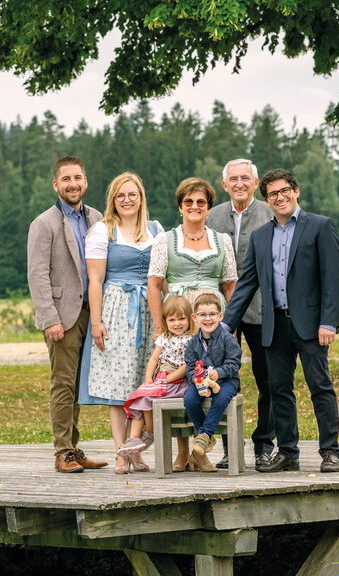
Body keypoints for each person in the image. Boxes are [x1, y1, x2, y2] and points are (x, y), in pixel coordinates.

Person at [222, 168, 339, 473]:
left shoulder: (319, 226)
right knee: (278, 390)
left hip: (311, 325)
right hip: (273, 325)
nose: (280, 197)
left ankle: (330, 451)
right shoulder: (261, 236)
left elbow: (333, 279)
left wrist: (329, 322)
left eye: (284, 190)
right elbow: (247, 282)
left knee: (320, 386)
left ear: (296, 191)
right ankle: (288, 452)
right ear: (267, 199)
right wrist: (226, 324)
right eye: (273, 193)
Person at [147, 177, 238, 471]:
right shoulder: (165, 240)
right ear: (180, 206)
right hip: (181, 317)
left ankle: (205, 450)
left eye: (201, 202)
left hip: (213, 316)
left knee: (213, 379)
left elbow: (229, 285)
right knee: (183, 382)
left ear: (209, 207)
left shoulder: (221, 240)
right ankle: (183, 451)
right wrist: (160, 328)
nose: (195, 206)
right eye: (189, 202)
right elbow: (154, 284)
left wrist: (233, 328)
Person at [78, 172, 163, 474]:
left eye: (132, 195)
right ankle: (119, 453)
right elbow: (96, 279)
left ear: (141, 198)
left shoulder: (155, 230)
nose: (127, 201)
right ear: (113, 200)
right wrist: (97, 321)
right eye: (120, 196)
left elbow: (162, 277)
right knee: (119, 386)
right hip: (116, 308)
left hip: (149, 308)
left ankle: (135, 450)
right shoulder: (103, 230)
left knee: (144, 384)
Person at [27, 156, 108, 473]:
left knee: (79, 386)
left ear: (85, 182)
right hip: (63, 317)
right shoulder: (43, 224)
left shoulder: (97, 219)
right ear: (56, 185)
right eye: (66, 179)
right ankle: (62, 451)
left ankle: (74, 448)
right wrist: (49, 319)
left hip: (92, 314)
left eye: (78, 178)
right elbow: (37, 275)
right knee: (63, 385)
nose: (72, 184)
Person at [207, 159, 274, 469]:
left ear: (255, 182)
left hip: (263, 308)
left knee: (268, 378)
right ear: (224, 185)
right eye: (233, 178)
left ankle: (264, 444)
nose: (239, 183)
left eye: (245, 178)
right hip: (225, 312)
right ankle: (228, 446)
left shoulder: (270, 213)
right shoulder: (212, 216)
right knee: (223, 377)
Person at [118, 295, 194, 465]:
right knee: (140, 396)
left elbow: (185, 366)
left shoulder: (190, 340)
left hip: (178, 382)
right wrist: (148, 379)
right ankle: (134, 439)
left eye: (182, 318)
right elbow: (154, 359)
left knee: (147, 397)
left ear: (189, 319)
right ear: (165, 321)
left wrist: (166, 380)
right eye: (172, 319)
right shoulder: (164, 338)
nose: (177, 323)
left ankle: (150, 433)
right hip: (161, 379)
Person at [183, 293, 242, 472]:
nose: (208, 319)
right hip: (201, 383)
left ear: (220, 316)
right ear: (195, 318)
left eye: (212, 314)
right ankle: (206, 435)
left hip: (226, 381)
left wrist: (219, 372)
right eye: (202, 315)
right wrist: (197, 379)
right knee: (189, 400)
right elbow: (190, 367)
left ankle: (205, 434)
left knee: (222, 398)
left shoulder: (228, 338)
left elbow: (234, 362)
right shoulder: (193, 342)